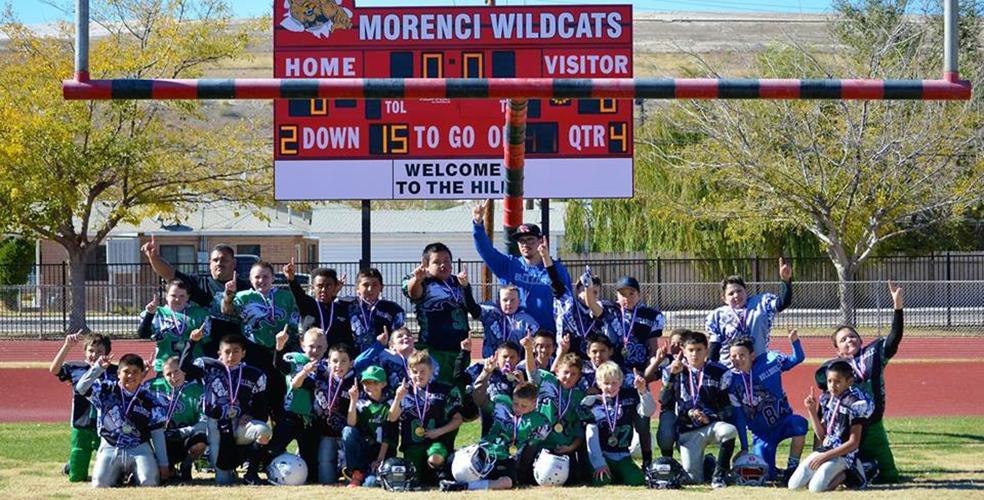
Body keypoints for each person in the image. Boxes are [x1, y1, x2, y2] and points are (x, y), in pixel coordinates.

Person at [814, 281, 904, 484]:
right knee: (838, 465)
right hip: (844, 426)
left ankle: (867, 469)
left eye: (853, 337)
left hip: (872, 422)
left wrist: (897, 307)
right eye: (843, 339)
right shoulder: (832, 367)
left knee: (890, 477)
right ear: (837, 349)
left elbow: (893, 339)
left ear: (861, 340)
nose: (849, 340)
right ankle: (856, 470)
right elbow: (825, 399)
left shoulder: (873, 354)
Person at [180, 330, 271, 485]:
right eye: (227, 352)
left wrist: (250, 414)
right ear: (219, 353)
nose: (231, 356)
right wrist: (192, 342)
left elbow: (261, 405)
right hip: (216, 424)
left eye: (236, 351)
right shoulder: (208, 366)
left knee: (263, 431)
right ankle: (222, 469)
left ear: (243, 353)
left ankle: (251, 473)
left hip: (240, 424)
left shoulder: (254, 374)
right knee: (223, 480)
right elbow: (184, 367)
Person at [471, 200, 572, 331]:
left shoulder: (556, 268)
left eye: (530, 239)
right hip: (516, 337)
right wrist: (478, 224)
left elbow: (568, 301)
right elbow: (486, 251)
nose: (525, 244)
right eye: (521, 241)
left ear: (541, 241)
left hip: (546, 340)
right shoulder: (509, 265)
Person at [222, 261, 300, 422]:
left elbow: (295, 318)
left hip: (280, 350)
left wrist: (289, 337)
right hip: (254, 350)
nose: (261, 280)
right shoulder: (243, 297)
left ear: (273, 278)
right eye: (257, 277)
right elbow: (227, 311)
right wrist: (228, 295)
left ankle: (279, 436)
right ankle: (258, 433)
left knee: (279, 392)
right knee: (257, 392)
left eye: (266, 276)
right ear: (250, 279)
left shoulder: (285, 296)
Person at [75, 353, 168, 488]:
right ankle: (117, 475)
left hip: (139, 448)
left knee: (149, 482)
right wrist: (98, 368)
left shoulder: (150, 399)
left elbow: (157, 433)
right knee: (99, 484)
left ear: (142, 374)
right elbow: (81, 388)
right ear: (118, 373)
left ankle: (131, 475)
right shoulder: (106, 390)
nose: (130, 376)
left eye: (135, 372)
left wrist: (163, 464)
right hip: (110, 446)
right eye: (126, 372)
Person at [660, 330, 738, 488]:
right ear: (683, 351)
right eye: (691, 350)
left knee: (729, 430)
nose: (695, 354)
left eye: (699, 350)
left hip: (710, 425)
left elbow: (726, 408)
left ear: (706, 350)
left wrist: (711, 418)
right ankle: (708, 463)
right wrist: (673, 376)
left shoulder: (719, 372)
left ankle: (719, 476)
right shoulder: (673, 370)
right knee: (693, 479)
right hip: (688, 430)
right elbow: (664, 400)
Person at [142, 237, 251, 349]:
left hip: (237, 348)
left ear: (233, 263)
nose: (219, 263)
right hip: (206, 348)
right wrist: (154, 257)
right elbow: (170, 274)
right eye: (215, 260)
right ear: (210, 263)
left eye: (224, 260)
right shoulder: (197, 284)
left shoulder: (246, 288)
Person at [440, 382, 551, 491]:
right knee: (452, 460)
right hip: (485, 448)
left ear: (534, 403)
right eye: (516, 403)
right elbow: (482, 403)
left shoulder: (539, 422)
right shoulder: (502, 405)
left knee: (507, 482)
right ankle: (443, 479)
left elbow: (531, 448)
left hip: (506, 457)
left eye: (524, 406)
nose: (518, 408)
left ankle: (465, 486)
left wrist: (521, 471)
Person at [729, 332, 807, 483]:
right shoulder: (732, 380)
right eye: (733, 356)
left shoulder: (770, 361)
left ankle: (792, 467)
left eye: (741, 355)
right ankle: (776, 472)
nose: (737, 359)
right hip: (761, 434)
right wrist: (745, 447)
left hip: (782, 422)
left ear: (752, 355)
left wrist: (795, 342)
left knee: (800, 424)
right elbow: (739, 417)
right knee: (766, 475)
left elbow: (798, 359)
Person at [789, 361, 872, 492]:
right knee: (794, 485)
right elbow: (822, 436)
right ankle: (829, 473)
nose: (832, 386)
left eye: (837, 381)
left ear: (849, 381)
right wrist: (811, 411)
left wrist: (825, 457)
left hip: (844, 454)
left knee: (815, 488)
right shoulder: (827, 399)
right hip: (827, 449)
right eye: (829, 381)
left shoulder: (855, 404)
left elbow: (853, 443)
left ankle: (850, 475)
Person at [611, 275, 664, 467]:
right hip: (616, 376)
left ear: (639, 294)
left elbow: (651, 347)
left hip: (639, 374)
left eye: (631, 293)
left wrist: (652, 365)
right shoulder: (611, 312)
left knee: (642, 420)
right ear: (616, 296)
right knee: (617, 417)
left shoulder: (650, 316)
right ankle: (616, 455)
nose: (627, 298)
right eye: (622, 294)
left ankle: (648, 461)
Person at [389, 350, 464, 486]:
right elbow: (392, 417)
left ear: (431, 371)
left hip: (436, 442)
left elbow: (458, 419)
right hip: (412, 444)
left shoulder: (443, 391)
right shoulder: (403, 391)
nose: (418, 375)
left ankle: (439, 475)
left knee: (436, 457)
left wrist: (439, 431)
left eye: (423, 371)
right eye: (415, 372)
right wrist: (397, 398)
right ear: (409, 372)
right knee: (413, 481)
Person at [50, 332, 116, 482]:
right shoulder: (76, 368)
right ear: (85, 352)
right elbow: (54, 370)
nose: (95, 355)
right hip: (82, 422)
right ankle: (72, 468)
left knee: (110, 468)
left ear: (107, 353)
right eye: (91, 350)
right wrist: (67, 346)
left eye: (100, 351)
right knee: (78, 464)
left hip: (107, 425)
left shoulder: (114, 371)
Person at [524, 337, 590, 486]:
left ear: (579, 376)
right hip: (541, 442)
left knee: (570, 480)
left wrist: (572, 447)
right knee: (529, 447)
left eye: (574, 374)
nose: (568, 377)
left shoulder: (579, 396)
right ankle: (521, 476)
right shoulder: (547, 381)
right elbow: (532, 371)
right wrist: (528, 349)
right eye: (565, 372)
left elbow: (580, 429)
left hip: (564, 446)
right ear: (557, 371)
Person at [402, 242, 470, 385]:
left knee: (458, 389)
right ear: (426, 265)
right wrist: (417, 280)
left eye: (446, 261)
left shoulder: (458, 282)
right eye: (436, 262)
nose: (443, 265)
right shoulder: (424, 281)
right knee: (436, 391)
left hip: (459, 349)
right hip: (434, 349)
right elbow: (413, 292)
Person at [706, 257, 793, 367]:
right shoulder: (717, 316)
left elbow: (783, 303)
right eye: (731, 293)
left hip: (759, 366)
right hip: (731, 369)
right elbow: (715, 346)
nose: (736, 295)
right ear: (724, 298)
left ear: (745, 291)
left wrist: (786, 281)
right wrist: (711, 370)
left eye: (739, 291)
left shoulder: (761, 302)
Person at [267, 326, 327, 484]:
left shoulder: (325, 367)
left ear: (325, 347)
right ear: (302, 344)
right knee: (275, 447)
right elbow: (281, 366)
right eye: (311, 346)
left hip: (310, 418)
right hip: (291, 413)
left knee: (310, 458)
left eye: (319, 347)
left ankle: (307, 480)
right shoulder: (295, 359)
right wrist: (279, 347)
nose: (315, 350)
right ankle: (259, 472)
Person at [290, 343, 356, 485]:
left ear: (351, 363)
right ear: (328, 362)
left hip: (345, 432)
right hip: (325, 432)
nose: (339, 365)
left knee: (349, 459)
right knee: (325, 471)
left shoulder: (355, 382)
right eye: (335, 361)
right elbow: (295, 384)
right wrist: (304, 372)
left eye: (344, 361)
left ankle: (352, 478)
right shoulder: (321, 376)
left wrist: (354, 399)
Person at [582, 361, 655, 486]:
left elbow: (648, 412)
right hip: (602, 455)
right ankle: (608, 472)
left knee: (637, 480)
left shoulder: (629, 399)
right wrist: (599, 463)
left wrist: (643, 392)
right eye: (606, 383)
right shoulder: (592, 403)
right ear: (599, 383)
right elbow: (591, 436)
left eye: (614, 383)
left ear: (621, 382)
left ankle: (620, 473)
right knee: (602, 480)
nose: (610, 387)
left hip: (623, 455)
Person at [544, 243, 619, 359]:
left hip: (592, 360)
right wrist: (545, 257)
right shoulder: (569, 303)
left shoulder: (600, 309)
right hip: (568, 357)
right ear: (578, 289)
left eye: (595, 292)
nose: (592, 295)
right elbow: (555, 282)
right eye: (588, 290)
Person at [148, 356, 207, 483]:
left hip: (186, 437)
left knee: (200, 442)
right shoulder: (153, 387)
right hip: (161, 440)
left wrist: (185, 431)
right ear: (163, 375)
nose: (173, 377)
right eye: (168, 374)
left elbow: (204, 420)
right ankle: (169, 469)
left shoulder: (197, 389)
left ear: (184, 371)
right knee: (160, 477)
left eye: (176, 371)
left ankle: (186, 465)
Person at [138, 280, 211, 374]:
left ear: (188, 297)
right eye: (173, 296)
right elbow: (143, 334)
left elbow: (208, 344)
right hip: (165, 368)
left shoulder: (199, 314)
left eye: (182, 296)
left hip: (192, 366)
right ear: (166, 295)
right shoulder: (157, 313)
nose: (177, 299)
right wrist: (149, 314)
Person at [343, 365, 397, 487]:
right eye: (366, 382)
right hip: (365, 451)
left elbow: (389, 432)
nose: (370, 386)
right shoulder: (361, 403)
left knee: (371, 484)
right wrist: (353, 400)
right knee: (347, 431)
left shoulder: (390, 403)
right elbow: (351, 424)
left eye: (374, 382)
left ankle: (370, 475)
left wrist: (380, 459)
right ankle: (356, 473)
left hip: (383, 452)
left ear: (383, 384)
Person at [282, 259, 355, 350]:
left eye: (328, 286)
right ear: (313, 287)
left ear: (335, 287)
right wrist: (291, 279)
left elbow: (348, 338)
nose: (323, 290)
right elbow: (298, 293)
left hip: (335, 360)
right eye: (320, 286)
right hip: (311, 358)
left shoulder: (341, 308)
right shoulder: (308, 305)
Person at [353, 326, 440, 398]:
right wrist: (379, 345)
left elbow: (433, 375)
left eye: (408, 335)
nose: (405, 337)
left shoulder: (424, 358)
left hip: (418, 401)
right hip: (390, 402)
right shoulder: (383, 356)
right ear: (391, 346)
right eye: (400, 336)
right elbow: (358, 364)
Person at [463, 282, 539, 359]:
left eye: (512, 300)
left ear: (519, 302)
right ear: (498, 301)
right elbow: (472, 309)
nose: (509, 303)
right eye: (505, 300)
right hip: (491, 362)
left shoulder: (527, 320)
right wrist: (465, 287)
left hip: (516, 364)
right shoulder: (490, 313)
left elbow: (536, 345)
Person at [341, 267, 405, 355]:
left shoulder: (393, 309)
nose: (370, 289)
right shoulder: (345, 305)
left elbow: (398, 336)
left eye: (375, 285)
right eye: (365, 285)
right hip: (351, 359)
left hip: (382, 357)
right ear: (357, 288)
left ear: (381, 287)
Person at [648, 328, 686, 459]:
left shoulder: (693, 360)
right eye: (672, 343)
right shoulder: (666, 360)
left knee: (685, 441)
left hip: (687, 408)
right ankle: (667, 459)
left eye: (679, 343)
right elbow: (648, 376)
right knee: (665, 436)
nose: (675, 346)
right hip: (669, 406)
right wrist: (658, 360)